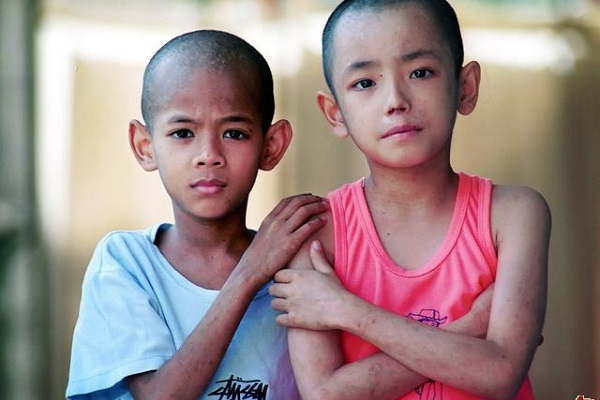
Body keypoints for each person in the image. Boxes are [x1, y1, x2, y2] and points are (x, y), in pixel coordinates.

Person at [268, 1, 551, 399]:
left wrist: (346, 310)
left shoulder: (511, 215)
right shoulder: (317, 231)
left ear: (465, 88)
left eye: (420, 72)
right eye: (365, 83)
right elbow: (325, 394)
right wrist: (471, 328)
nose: (395, 100)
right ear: (335, 113)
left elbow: (500, 374)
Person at [65, 29, 329, 400]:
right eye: (182, 133)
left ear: (271, 146)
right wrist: (250, 274)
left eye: (234, 133)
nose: (208, 155)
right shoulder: (126, 264)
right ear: (145, 146)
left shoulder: (296, 265)